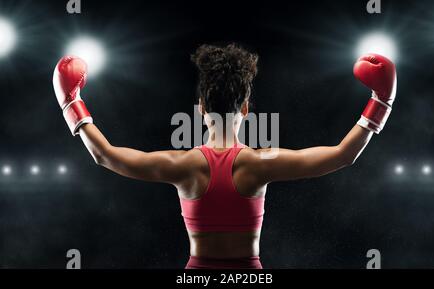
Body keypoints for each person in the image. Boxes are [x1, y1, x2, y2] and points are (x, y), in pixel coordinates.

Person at [52, 43, 397, 269]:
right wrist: (381, 100)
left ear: (201, 110)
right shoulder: (259, 164)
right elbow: (342, 155)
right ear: (246, 109)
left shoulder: (184, 166)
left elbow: (106, 156)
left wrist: (72, 102)